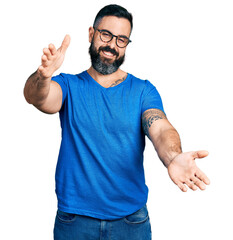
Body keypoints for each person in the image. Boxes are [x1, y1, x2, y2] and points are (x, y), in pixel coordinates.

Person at [23, 4, 210, 240]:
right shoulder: (68, 86)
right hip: (74, 221)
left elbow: (160, 128)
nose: (112, 45)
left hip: (131, 222)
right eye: (106, 35)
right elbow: (36, 97)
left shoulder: (143, 90)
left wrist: (173, 157)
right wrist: (43, 75)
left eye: (122, 39)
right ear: (91, 34)